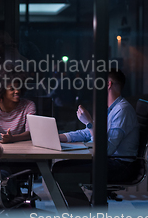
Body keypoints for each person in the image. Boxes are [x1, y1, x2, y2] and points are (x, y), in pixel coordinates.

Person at [53, 68, 139, 207]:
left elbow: (107, 150)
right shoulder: (111, 109)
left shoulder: (122, 111)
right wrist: (57, 137)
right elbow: (88, 133)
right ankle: (83, 214)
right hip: (111, 162)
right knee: (59, 168)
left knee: (61, 171)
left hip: (120, 166)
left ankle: (83, 216)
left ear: (108, 84)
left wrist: (89, 123)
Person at [0, 71, 36, 143]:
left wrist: (12, 139)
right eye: (12, 89)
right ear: (1, 91)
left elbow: (30, 133)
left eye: (18, 88)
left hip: (21, 148)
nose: (17, 91)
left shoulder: (28, 106)